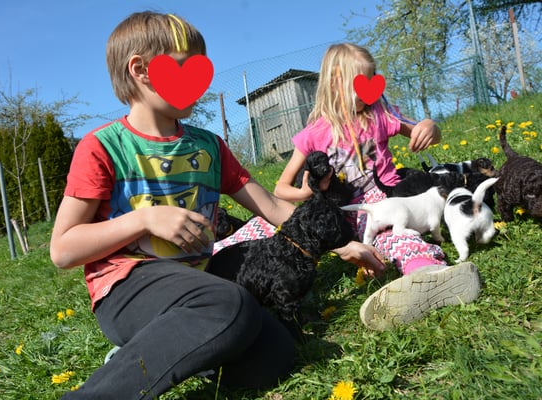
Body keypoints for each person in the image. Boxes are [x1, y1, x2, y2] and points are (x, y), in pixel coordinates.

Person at [49, 14, 384, 399]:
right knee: (230, 304)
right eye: (185, 68)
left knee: (276, 353)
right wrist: (145, 219)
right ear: (140, 70)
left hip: (201, 280)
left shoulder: (208, 147)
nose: (199, 83)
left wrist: (342, 245)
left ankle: (161, 349)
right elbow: (63, 249)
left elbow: (272, 208)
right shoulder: (102, 147)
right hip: (129, 288)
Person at [273, 43, 481, 331]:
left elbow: (425, 133)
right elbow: (280, 189)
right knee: (271, 228)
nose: (367, 90)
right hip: (347, 208)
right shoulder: (314, 134)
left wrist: (431, 127)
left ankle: (428, 273)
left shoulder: (379, 115)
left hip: (388, 199)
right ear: (335, 84)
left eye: (371, 80)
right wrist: (306, 192)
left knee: (395, 234)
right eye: (360, 82)